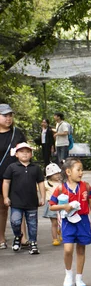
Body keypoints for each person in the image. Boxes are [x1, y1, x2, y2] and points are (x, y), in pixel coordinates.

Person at [49, 158, 91, 286]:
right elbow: (52, 206)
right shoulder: (61, 188)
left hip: (83, 221)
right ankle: (68, 274)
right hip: (67, 222)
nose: (81, 172)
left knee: (81, 249)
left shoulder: (86, 186)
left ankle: (79, 277)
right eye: (78, 170)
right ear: (68, 172)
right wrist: (64, 206)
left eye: (82, 170)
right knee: (68, 249)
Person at [2, 142, 45, 255]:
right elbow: (6, 182)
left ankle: (33, 243)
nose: (25, 154)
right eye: (22, 152)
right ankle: (18, 236)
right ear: (16, 154)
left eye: (27, 152)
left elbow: (41, 183)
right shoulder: (12, 167)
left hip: (31, 202)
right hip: (16, 201)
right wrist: (6, 197)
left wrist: (43, 197)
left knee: (32, 224)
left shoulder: (35, 168)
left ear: (31, 154)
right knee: (15, 221)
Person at [0, 104, 27, 250]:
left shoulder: (17, 133)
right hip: (0, 178)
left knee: (19, 206)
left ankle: (22, 237)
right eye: (5, 115)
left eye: (10, 115)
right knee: (2, 208)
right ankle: (1, 238)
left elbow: (26, 152)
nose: (8, 118)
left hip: (17, 176)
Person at [43, 163, 62, 246]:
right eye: (55, 174)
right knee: (54, 223)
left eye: (58, 173)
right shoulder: (46, 183)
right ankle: (54, 238)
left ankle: (61, 234)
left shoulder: (62, 183)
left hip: (62, 204)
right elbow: (38, 187)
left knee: (63, 221)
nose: (58, 176)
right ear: (49, 175)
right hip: (52, 204)